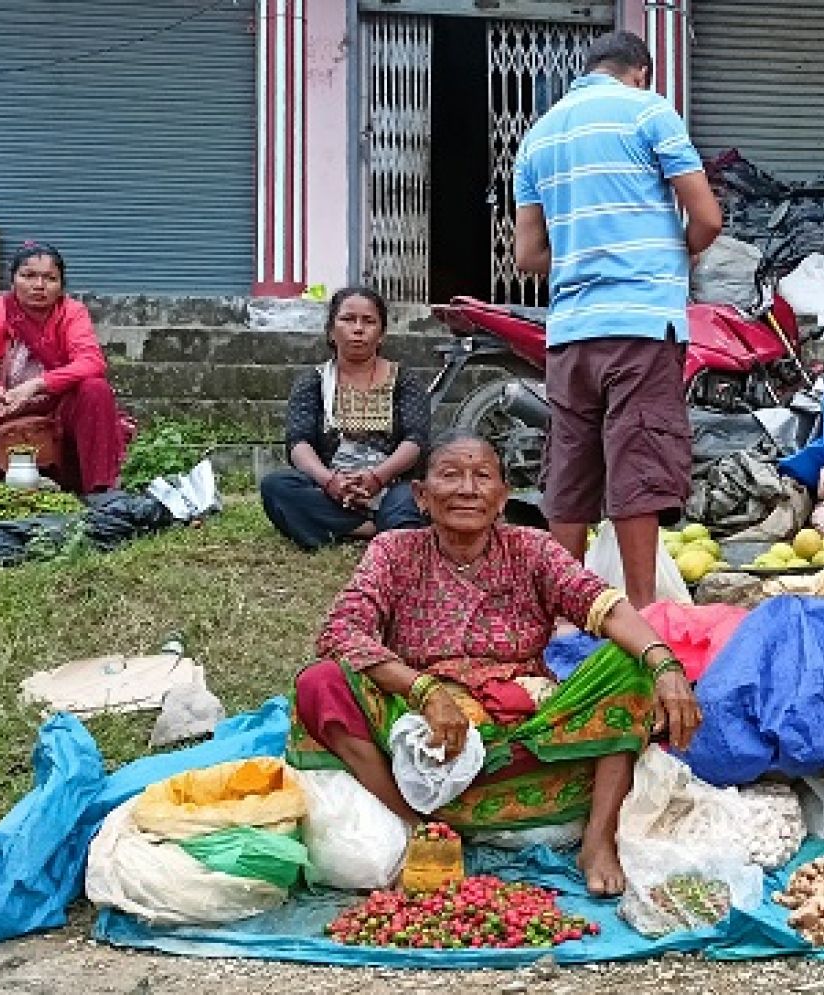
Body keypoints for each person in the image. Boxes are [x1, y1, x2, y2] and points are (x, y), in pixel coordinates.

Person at [286, 433, 702, 895]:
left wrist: (665, 665)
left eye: (482, 476)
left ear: (502, 498)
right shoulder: (393, 551)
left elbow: (605, 605)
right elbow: (342, 631)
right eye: (450, 475)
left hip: (522, 730)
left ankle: (598, 838)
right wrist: (424, 690)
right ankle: (420, 824)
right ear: (421, 496)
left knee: (629, 667)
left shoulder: (531, 548)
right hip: (422, 730)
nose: (467, 488)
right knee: (319, 683)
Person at [511, 30, 722, 608]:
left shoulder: (539, 136)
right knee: (640, 464)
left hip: (571, 333)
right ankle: (642, 613)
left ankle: (562, 612)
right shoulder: (650, 112)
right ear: (640, 72)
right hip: (641, 325)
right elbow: (707, 218)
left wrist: (583, 252)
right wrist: (667, 251)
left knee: (570, 472)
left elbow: (526, 256)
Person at [0, 242, 127, 493]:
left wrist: (37, 385)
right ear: (12, 280)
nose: (39, 285)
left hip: (55, 409)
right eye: (28, 276)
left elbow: (91, 362)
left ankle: (101, 492)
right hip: (0, 406)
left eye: (50, 278)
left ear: (61, 286)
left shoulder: (72, 312)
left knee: (95, 389)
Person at [260, 287, 429, 550]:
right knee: (277, 487)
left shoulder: (406, 381)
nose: (358, 329)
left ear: (382, 334)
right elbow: (298, 442)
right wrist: (330, 481)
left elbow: (415, 440)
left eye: (369, 321)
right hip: (332, 488)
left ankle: (349, 527)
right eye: (348, 319)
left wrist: (376, 478)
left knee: (412, 499)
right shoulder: (312, 381)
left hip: (391, 486)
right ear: (330, 330)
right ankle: (374, 529)